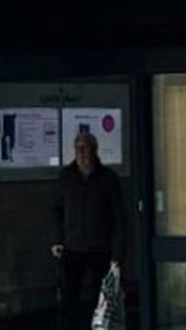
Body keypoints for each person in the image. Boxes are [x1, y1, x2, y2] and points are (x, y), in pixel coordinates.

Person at [51, 132, 126, 330]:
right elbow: (58, 209)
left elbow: (119, 219)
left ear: (94, 150)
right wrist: (57, 240)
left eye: (85, 148)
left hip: (100, 248)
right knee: (68, 300)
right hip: (73, 248)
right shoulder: (66, 176)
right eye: (78, 148)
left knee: (99, 300)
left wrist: (117, 257)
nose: (81, 153)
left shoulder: (108, 179)